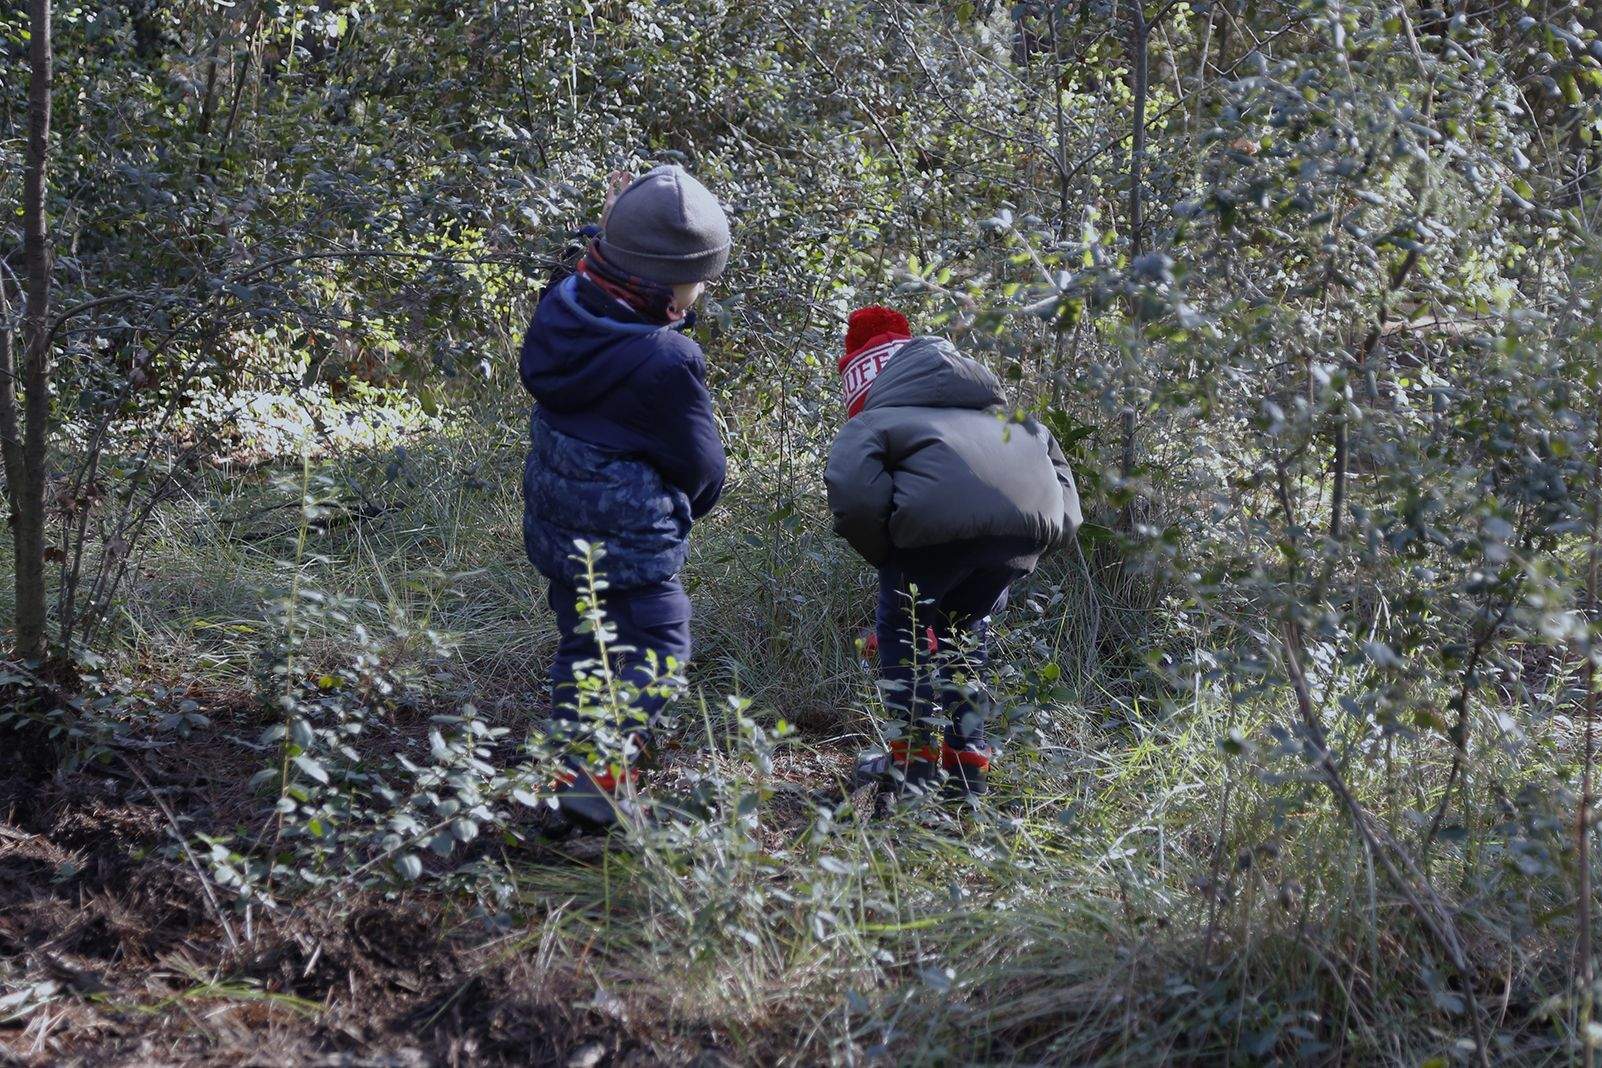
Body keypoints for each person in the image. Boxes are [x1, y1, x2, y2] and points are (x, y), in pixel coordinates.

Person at [518, 165, 730, 832]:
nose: (698, 297)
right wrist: (687, 505)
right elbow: (702, 466)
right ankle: (594, 794)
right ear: (669, 285)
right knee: (656, 653)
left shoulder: (565, 303)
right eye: (696, 284)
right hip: (631, 548)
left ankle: (569, 784)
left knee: (586, 649)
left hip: (559, 531)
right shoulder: (665, 358)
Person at [824, 306, 1081, 801]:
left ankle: (912, 767)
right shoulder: (1003, 415)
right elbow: (1062, 481)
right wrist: (1038, 542)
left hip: (932, 541)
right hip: (1019, 540)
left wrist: (890, 554)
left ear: (865, 384)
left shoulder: (877, 419)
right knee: (965, 630)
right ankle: (966, 764)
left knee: (903, 627)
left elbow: (853, 498)